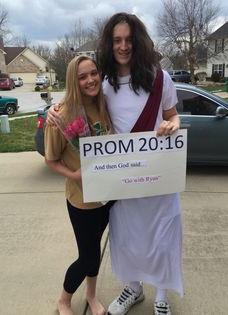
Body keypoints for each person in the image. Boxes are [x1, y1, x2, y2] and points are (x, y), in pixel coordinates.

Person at [47, 12, 183, 315]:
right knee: (129, 238)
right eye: (117, 40)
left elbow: (173, 114)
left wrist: (173, 123)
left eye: (129, 40)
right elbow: (78, 99)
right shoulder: (105, 81)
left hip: (157, 175)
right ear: (109, 43)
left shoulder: (161, 78)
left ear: (139, 41)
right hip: (122, 183)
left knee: (161, 234)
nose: (123, 46)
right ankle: (133, 289)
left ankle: (161, 294)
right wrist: (52, 108)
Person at [44, 55, 113, 315]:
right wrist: (74, 175)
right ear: (74, 80)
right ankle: (64, 300)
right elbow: (51, 160)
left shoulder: (104, 104)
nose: (90, 80)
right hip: (81, 199)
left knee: (94, 251)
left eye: (93, 73)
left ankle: (92, 297)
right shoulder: (60, 116)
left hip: (107, 196)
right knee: (87, 257)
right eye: (82, 76)